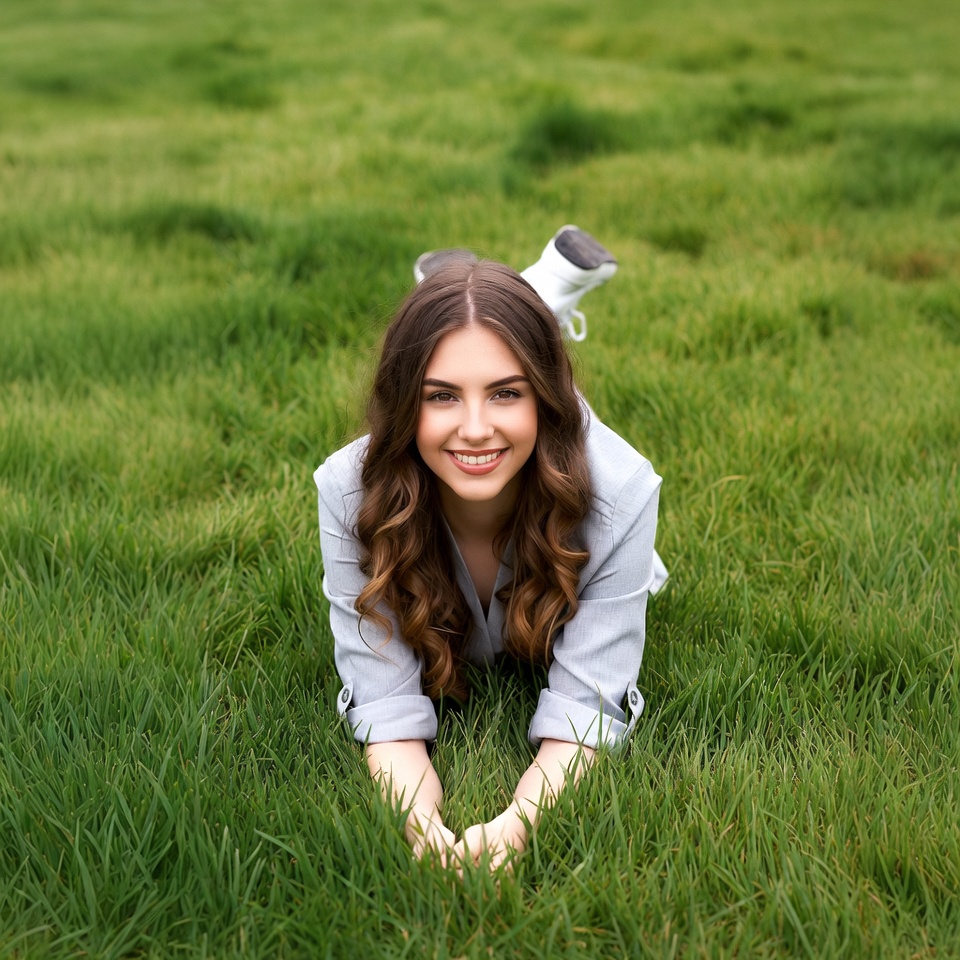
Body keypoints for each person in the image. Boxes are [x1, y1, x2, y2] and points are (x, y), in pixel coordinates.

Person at [314, 226, 667, 870]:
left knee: (497, 365)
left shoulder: (623, 495)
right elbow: (384, 705)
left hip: (567, 475)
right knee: (480, 347)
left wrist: (516, 828)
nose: (475, 429)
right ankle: (499, 307)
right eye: (440, 395)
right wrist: (421, 829)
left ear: (543, 400)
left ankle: (512, 308)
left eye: (507, 391)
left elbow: (588, 708)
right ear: (404, 403)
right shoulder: (349, 490)